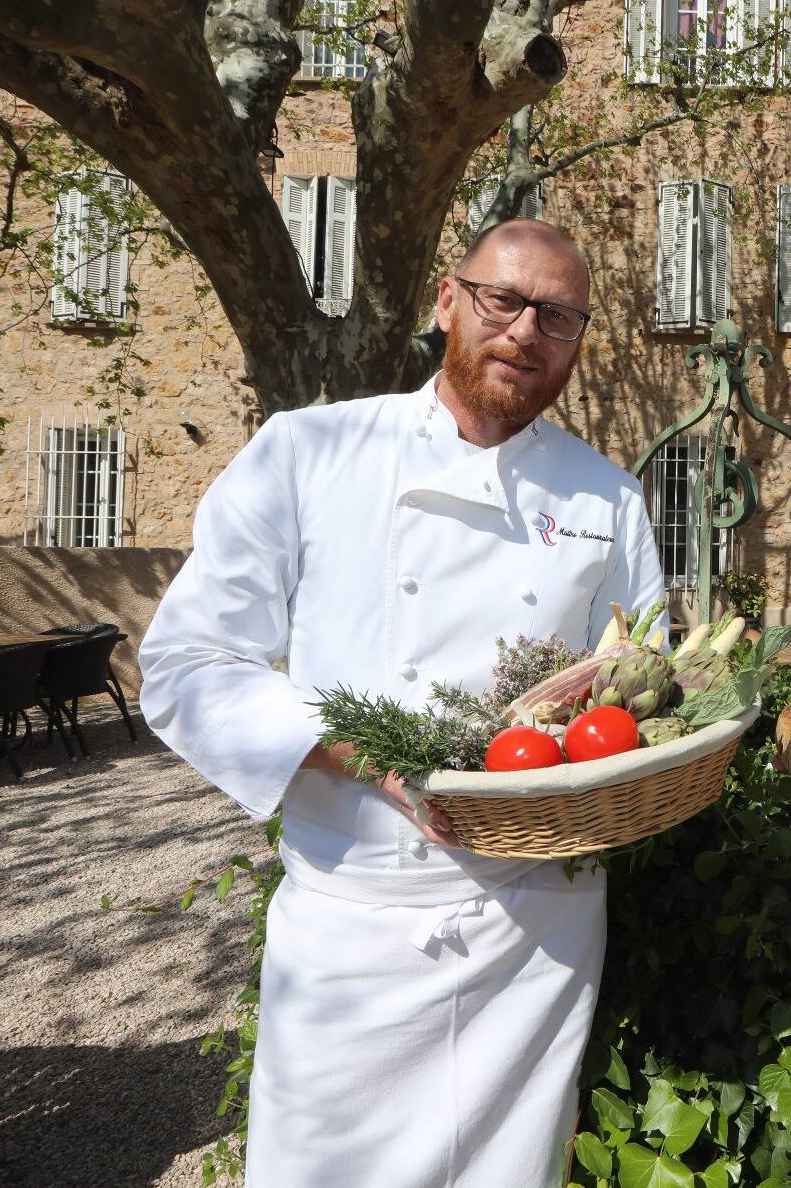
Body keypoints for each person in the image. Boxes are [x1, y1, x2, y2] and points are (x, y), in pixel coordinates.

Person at [139, 220, 665, 1186]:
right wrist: (364, 753)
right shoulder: (309, 451)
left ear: (579, 340)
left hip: (536, 930)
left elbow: (645, 697)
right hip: (354, 927)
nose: (523, 331)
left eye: (557, 316)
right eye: (503, 300)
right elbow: (187, 663)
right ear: (447, 300)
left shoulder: (610, 498)